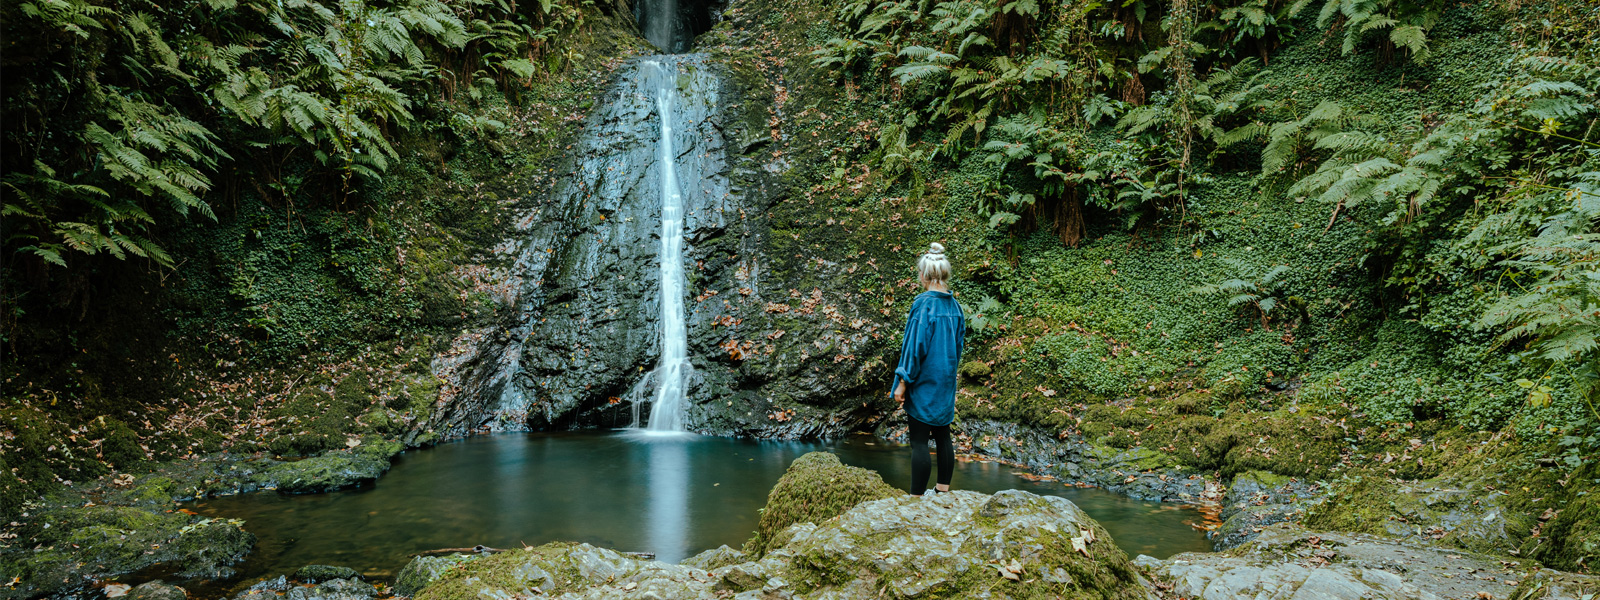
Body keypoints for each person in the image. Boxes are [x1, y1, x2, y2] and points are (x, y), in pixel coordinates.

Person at [891, 242, 965, 497]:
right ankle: (943, 491)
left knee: (920, 442)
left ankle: (915, 498)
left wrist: (903, 382)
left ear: (924, 275)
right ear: (944, 275)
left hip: (923, 381)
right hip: (945, 380)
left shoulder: (924, 305)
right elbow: (959, 345)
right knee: (943, 436)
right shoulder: (955, 307)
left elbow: (914, 347)